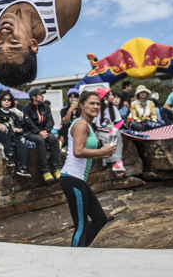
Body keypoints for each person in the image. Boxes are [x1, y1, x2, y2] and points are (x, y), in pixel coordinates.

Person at [60, 91, 115, 247]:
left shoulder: (88, 125)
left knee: (100, 219)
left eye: (98, 103)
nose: (95, 106)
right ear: (82, 105)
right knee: (81, 225)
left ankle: (81, 251)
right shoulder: (81, 123)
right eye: (91, 103)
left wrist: (102, 152)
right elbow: (78, 152)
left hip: (77, 179)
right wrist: (101, 152)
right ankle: (74, 263)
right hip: (71, 177)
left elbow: (84, 151)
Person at [0, 90, 30, 176]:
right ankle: (9, 155)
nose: (6, 101)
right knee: (6, 125)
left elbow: (22, 128)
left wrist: (18, 129)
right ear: (0, 101)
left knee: (22, 139)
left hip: (8, 136)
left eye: (9, 100)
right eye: (4, 99)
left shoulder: (13, 114)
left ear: (12, 102)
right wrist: (0, 125)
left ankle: (22, 167)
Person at [23, 87, 61, 183]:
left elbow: (50, 121)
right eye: (40, 94)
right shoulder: (27, 109)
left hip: (44, 131)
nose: (42, 96)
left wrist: (45, 131)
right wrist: (38, 132)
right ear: (34, 97)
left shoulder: (46, 107)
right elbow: (29, 124)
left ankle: (57, 168)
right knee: (40, 140)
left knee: (54, 139)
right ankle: (45, 171)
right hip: (31, 132)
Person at [93, 88, 125, 174]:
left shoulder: (113, 108)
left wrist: (114, 127)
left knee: (117, 134)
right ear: (104, 98)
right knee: (108, 137)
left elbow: (119, 122)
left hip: (111, 130)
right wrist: (99, 128)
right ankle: (114, 162)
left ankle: (117, 161)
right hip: (100, 131)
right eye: (110, 94)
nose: (113, 96)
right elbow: (93, 124)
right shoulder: (97, 109)